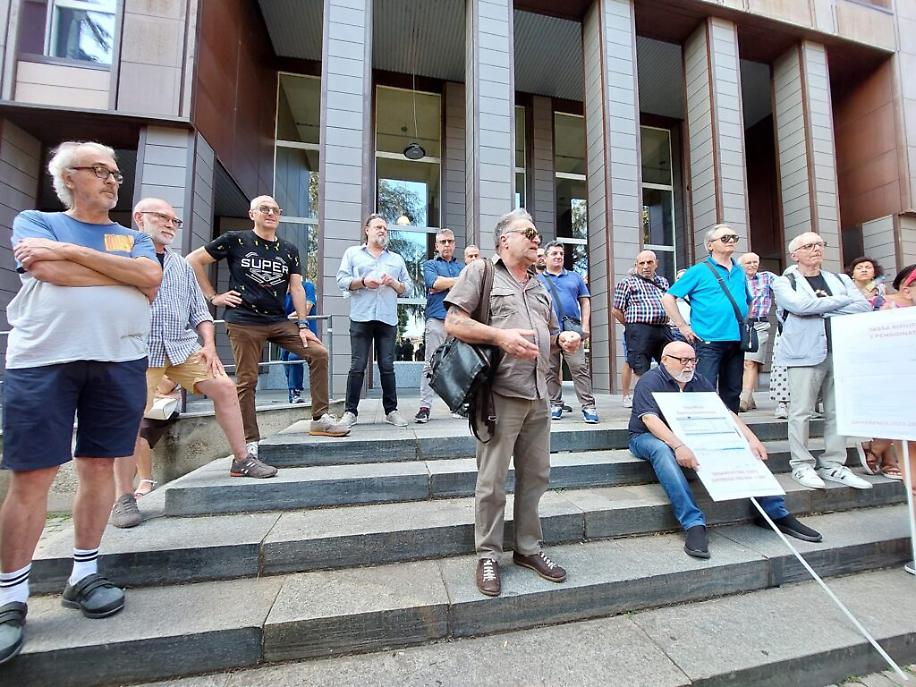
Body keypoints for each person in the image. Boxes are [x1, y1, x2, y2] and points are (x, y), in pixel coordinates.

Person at [0, 141, 162, 665]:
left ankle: (84, 574)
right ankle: (10, 600)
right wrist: (112, 270)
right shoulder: (37, 221)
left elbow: (150, 279)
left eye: (116, 172)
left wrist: (73, 255)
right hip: (44, 360)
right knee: (32, 476)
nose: (115, 180)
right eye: (101, 171)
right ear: (69, 177)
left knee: (97, 468)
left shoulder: (134, 235)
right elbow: (48, 272)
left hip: (117, 361)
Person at [112, 198, 280, 528]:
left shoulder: (180, 265)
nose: (169, 224)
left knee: (224, 388)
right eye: (161, 217)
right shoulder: (122, 256)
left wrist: (208, 344)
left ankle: (243, 460)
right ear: (139, 218)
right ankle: (123, 497)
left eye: (174, 220)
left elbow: (199, 313)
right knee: (129, 418)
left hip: (181, 347)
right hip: (139, 350)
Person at [445, 208, 580, 597]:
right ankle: (488, 553)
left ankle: (527, 548)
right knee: (491, 481)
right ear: (505, 239)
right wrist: (499, 337)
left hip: (539, 394)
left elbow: (550, 334)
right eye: (530, 233)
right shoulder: (481, 272)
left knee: (537, 476)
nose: (538, 240)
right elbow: (454, 323)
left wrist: (563, 341)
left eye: (539, 234)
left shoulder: (540, 284)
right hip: (499, 394)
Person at [628, 341, 822, 558]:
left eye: (693, 360)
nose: (689, 366)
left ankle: (774, 511)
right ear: (665, 360)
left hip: (691, 434)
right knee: (662, 451)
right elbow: (649, 419)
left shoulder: (698, 380)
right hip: (646, 437)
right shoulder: (649, 381)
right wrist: (679, 445)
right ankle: (693, 523)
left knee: (741, 444)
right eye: (683, 360)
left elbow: (724, 412)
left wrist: (751, 439)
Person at [187, 196, 349, 454]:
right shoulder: (235, 239)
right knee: (247, 380)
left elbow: (296, 288)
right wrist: (213, 296)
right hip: (243, 320)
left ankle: (319, 418)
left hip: (278, 320)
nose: (270, 213)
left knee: (318, 353)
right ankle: (249, 442)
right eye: (264, 209)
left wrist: (304, 324)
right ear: (252, 214)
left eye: (275, 209)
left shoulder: (288, 249)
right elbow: (193, 260)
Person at [773, 232, 872, 490]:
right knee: (801, 411)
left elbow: (863, 307)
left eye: (818, 244)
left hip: (839, 351)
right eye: (808, 246)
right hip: (805, 353)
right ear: (795, 254)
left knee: (838, 410)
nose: (815, 249)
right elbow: (799, 306)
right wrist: (839, 303)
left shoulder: (839, 278)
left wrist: (818, 304)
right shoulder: (785, 282)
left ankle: (833, 464)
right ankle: (801, 464)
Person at [335, 213, 413, 427]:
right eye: (378, 227)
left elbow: (408, 288)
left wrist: (395, 284)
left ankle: (391, 411)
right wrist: (362, 281)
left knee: (387, 366)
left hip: (387, 318)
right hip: (361, 316)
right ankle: (350, 412)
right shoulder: (353, 254)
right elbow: (341, 280)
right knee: (357, 365)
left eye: (385, 229)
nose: (382, 231)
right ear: (367, 230)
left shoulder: (395, 259)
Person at [663, 224, 748, 413]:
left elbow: (746, 301)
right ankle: (702, 431)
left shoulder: (739, 271)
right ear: (710, 245)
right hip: (708, 340)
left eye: (734, 237)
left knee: (733, 391)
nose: (731, 241)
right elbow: (668, 298)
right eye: (725, 238)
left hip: (736, 340)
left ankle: (731, 430)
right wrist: (683, 326)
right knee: (703, 389)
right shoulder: (699, 270)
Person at [538, 241, 597, 423]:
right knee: (550, 369)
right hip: (549, 332)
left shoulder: (575, 277)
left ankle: (589, 406)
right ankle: (555, 404)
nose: (558, 257)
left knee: (579, 368)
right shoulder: (537, 280)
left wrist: (585, 326)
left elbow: (585, 301)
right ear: (546, 257)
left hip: (572, 329)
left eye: (561, 254)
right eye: (554, 253)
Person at [415, 229, 464, 423]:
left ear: (454, 244)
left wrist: (444, 285)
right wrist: (455, 282)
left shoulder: (462, 266)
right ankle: (425, 407)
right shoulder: (430, 265)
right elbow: (432, 281)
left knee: (458, 366)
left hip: (459, 323)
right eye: (442, 242)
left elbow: (470, 288)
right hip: (436, 320)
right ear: (436, 246)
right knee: (430, 364)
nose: (446, 245)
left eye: (450, 241)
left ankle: (457, 406)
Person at [612, 251, 671, 396]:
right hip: (639, 329)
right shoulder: (627, 282)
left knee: (670, 362)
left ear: (656, 263)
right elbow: (616, 310)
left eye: (649, 262)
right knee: (641, 367)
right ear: (636, 265)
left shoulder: (662, 282)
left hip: (663, 328)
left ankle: (667, 399)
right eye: (642, 263)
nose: (646, 266)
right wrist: (631, 326)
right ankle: (643, 401)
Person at [738, 252, 777, 412]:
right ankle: (750, 398)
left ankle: (744, 398)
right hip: (740, 324)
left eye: (755, 262)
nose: (753, 265)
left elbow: (785, 285)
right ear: (741, 266)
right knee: (741, 362)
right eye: (748, 263)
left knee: (750, 361)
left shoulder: (767, 277)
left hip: (759, 324)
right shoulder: (736, 280)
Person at [131, 375, 181, 498]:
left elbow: (166, 388)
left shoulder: (162, 356)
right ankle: (122, 487)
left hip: (161, 408)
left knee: (137, 432)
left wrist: (146, 366)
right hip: (136, 406)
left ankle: (146, 481)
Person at [280, 283, 318, 404]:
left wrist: (286, 318)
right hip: (286, 333)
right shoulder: (281, 292)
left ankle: (295, 391)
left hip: (305, 331)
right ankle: (292, 393)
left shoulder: (307, 287)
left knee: (293, 357)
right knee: (285, 359)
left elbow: (306, 308)